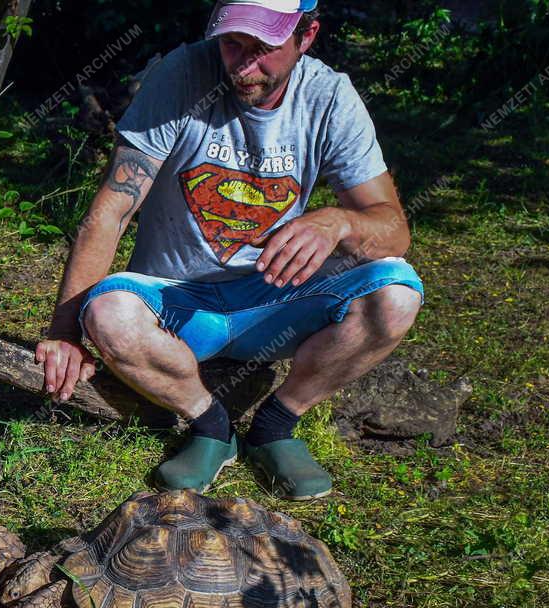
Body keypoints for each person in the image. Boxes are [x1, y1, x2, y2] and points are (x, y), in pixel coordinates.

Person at [34, 0, 424, 499]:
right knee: (108, 313)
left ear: (307, 37)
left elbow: (393, 230)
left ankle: (277, 424)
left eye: (263, 49)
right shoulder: (180, 75)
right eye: (232, 43)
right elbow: (113, 208)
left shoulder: (329, 95)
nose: (244, 65)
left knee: (397, 296)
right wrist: (65, 331)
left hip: (274, 300)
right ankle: (211, 425)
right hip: (177, 304)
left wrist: (337, 221)